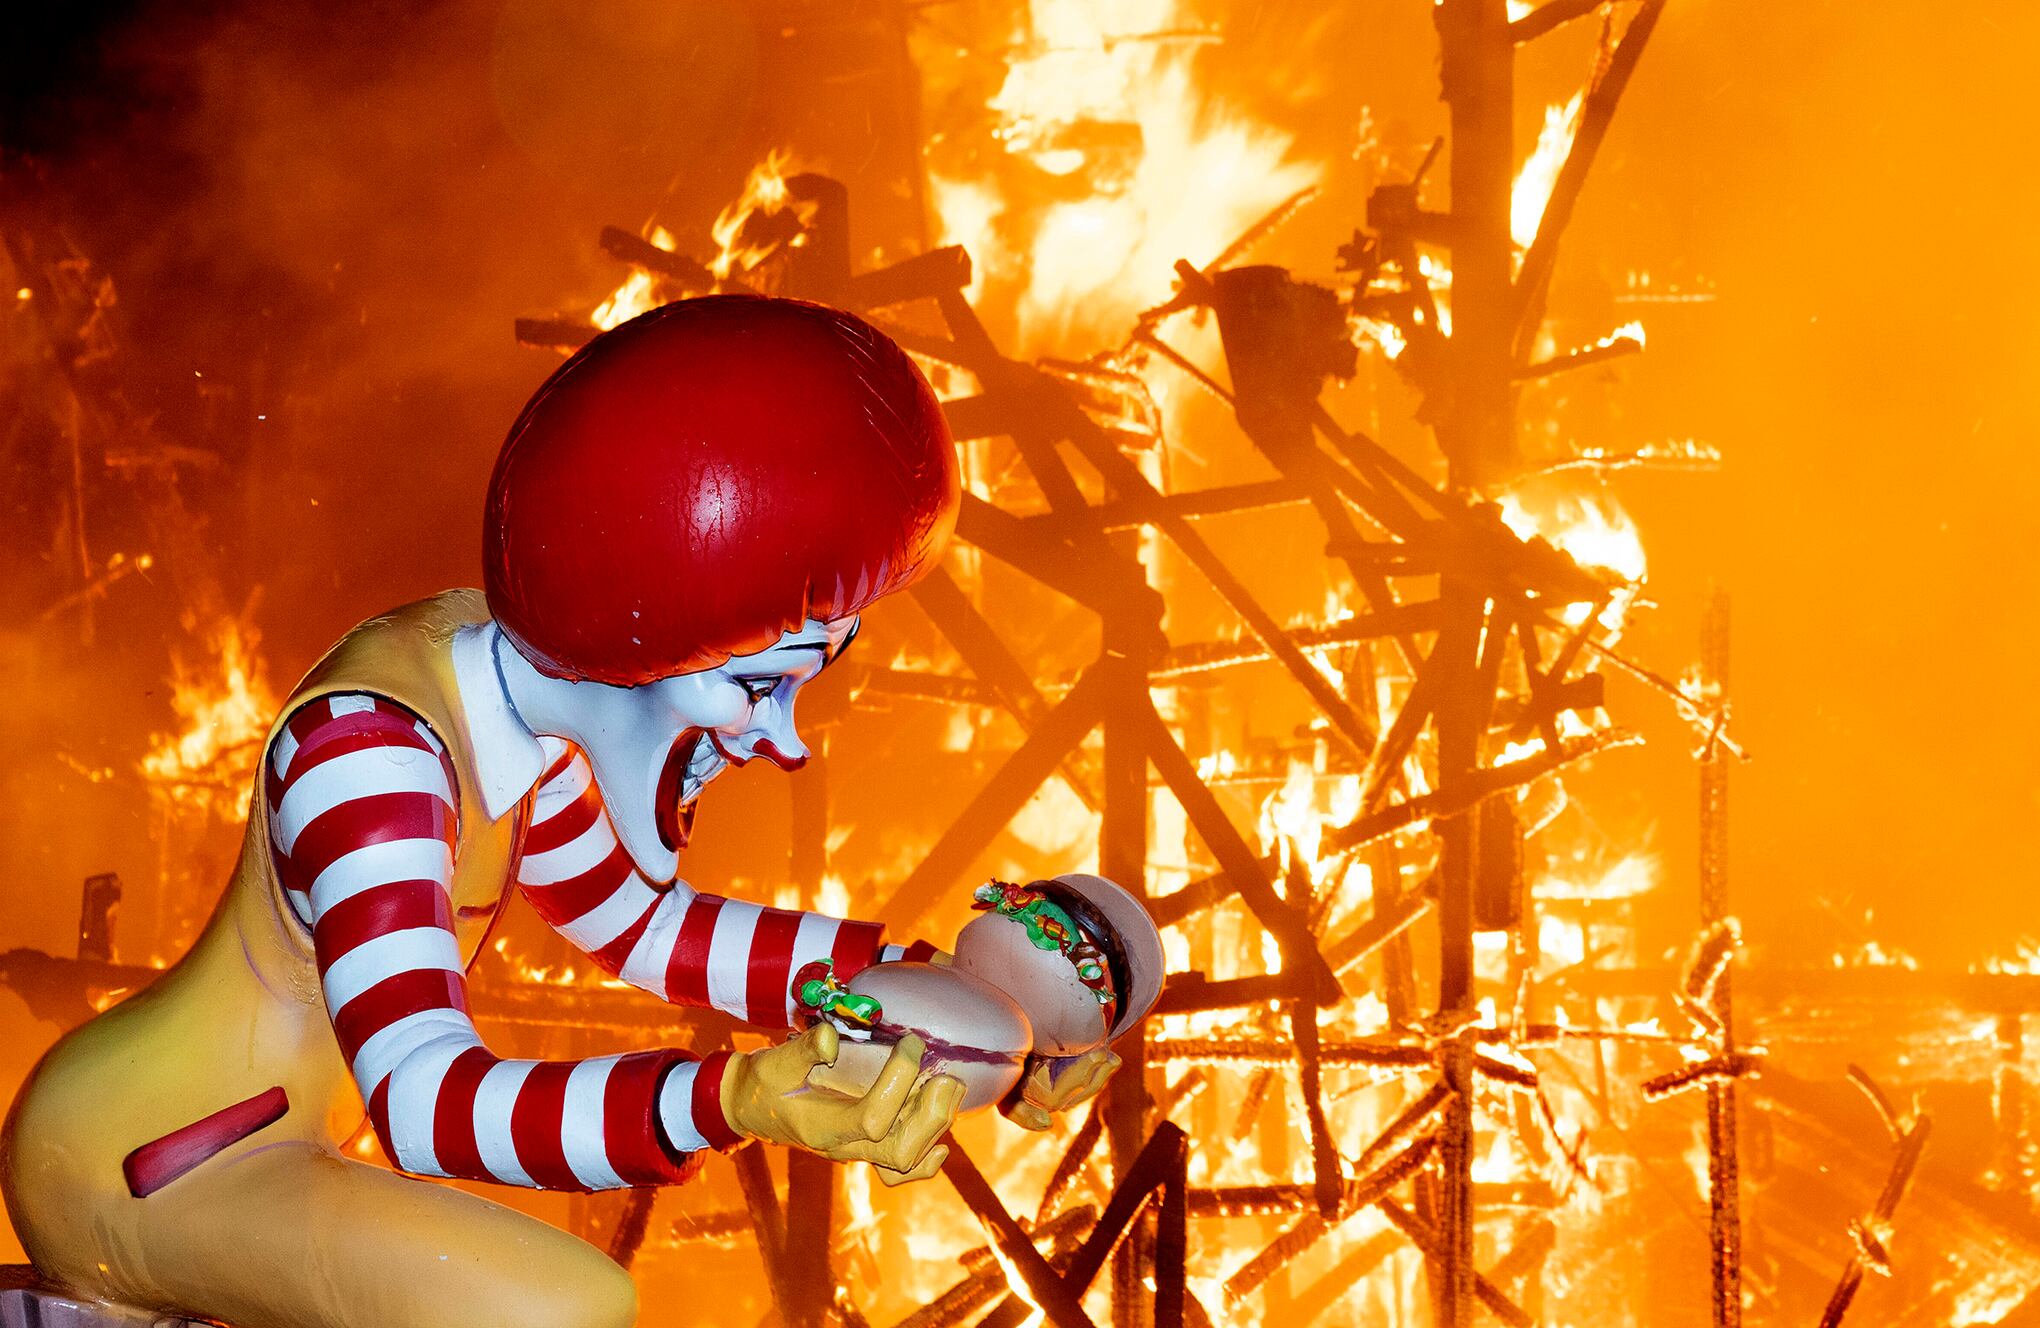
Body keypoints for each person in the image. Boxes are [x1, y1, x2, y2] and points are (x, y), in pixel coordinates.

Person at [2, 296, 1116, 1328]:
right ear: (636, 626)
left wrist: (956, 996)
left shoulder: (532, 695)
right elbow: (428, 1100)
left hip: (258, 1137)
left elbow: (645, 926)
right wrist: (736, 1095)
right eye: (757, 681)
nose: (779, 738)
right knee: (558, 1306)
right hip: (145, 1156)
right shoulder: (368, 750)